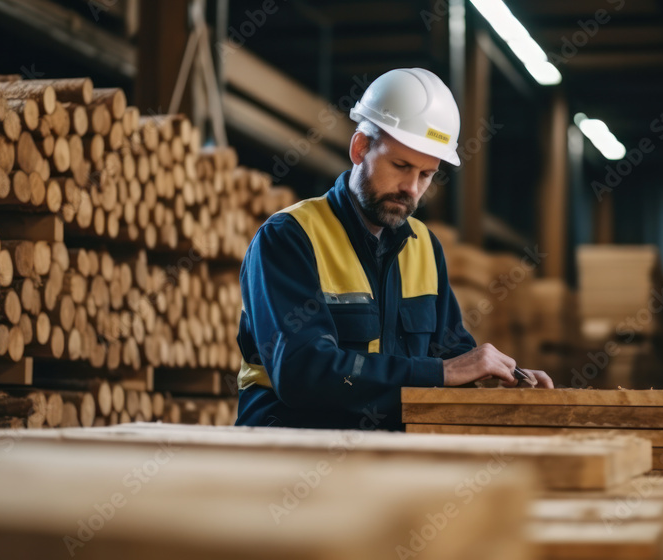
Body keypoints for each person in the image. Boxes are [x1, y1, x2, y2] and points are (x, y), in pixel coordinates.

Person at [235, 67, 553, 431]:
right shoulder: (289, 237)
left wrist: (507, 375)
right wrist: (441, 372)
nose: (411, 188)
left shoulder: (424, 247)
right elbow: (304, 371)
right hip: (284, 458)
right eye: (400, 165)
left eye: (426, 174)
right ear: (359, 149)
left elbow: (450, 353)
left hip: (386, 459)